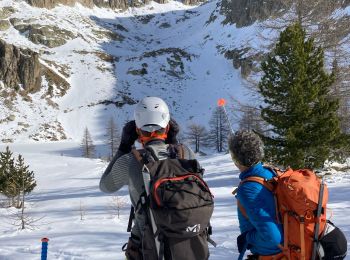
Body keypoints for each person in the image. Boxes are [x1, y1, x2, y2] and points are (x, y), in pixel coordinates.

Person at [99, 96, 210, 260]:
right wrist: (174, 144)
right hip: (190, 242)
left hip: (146, 244)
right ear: (167, 129)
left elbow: (106, 186)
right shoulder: (186, 153)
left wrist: (123, 147)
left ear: (137, 131)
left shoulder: (130, 160)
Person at [228, 130, 283, 259]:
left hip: (272, 255)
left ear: (236, 159)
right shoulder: (271, 173)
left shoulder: (248, 188)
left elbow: (272, 237)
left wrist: (247, 237)